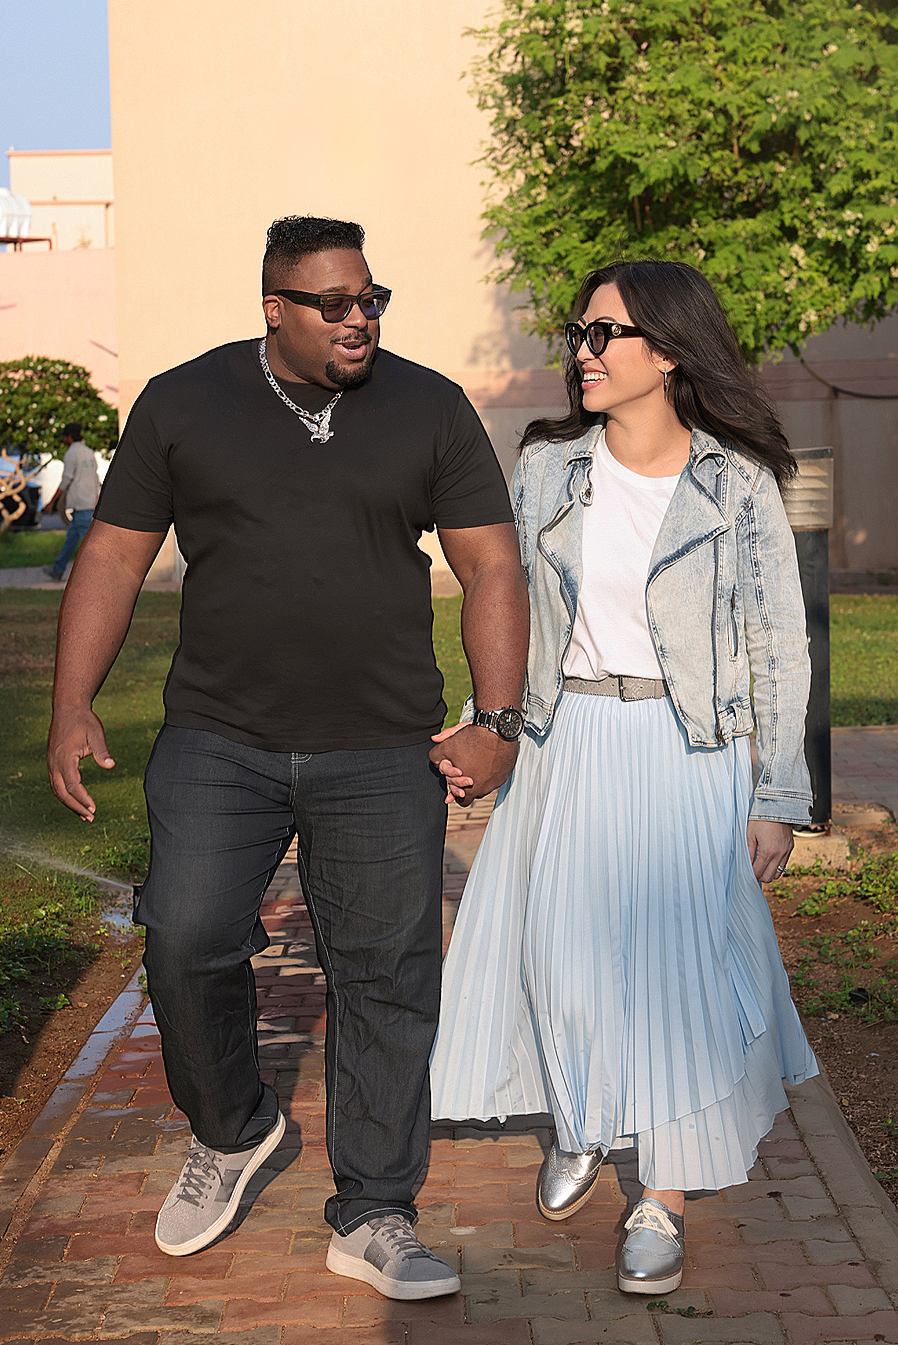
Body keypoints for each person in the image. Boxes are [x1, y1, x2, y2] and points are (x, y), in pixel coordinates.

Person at [46, 215, 528, 1298]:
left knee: (386, 975)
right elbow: (118, 558)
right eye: (334, 304)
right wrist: (73, 703)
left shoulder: (428, 406)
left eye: (371, 298)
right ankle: (232, 1128)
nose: (359, 318)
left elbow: (491, 567)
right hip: (222, 738)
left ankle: (375, 1211)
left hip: (379, 746)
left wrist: (496, 721)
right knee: (184, 937)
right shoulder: (182, 401)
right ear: (275, 309)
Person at [430, 259, 818, 1296]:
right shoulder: (548, 467)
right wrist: (485, 726)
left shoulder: (734, 484)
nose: (583, 352)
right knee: (560, 955)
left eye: (605, 335)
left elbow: (776, 645)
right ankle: (586, 1115)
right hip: (566, 740)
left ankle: (663, 1198)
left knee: (679, 978)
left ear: (670, 352)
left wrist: (775, 795)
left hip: (688, 752)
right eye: (580, 332)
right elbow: (504, 612)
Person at [42, 423, 101, 579]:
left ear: (69, 437)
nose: (64, 439)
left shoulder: (71, 453)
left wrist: (51, 502)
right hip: (88, 503)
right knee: (71, 541)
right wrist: (97, 498)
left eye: (65, 436)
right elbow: (95, 478)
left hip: (81, 505)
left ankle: (98, 575)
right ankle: (58, 570)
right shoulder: (89, 452)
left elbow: (66, 480)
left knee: (89, 545)